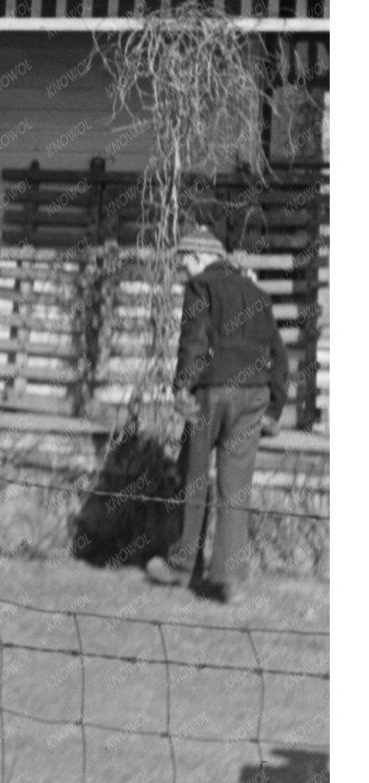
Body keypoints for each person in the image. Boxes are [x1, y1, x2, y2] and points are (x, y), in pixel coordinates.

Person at [144, 225, 289, 606]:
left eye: (184, 265)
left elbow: (193, 340)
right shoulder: (257, 292)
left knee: (194, 478)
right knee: (235, 488)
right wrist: (274, 407)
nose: (184, 274)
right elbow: (280, 353)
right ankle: (230, 581)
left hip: (213, 391)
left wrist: (181, 388)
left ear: (197, 258)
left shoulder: (201, 286)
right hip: (254, 394)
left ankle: (180, 567)